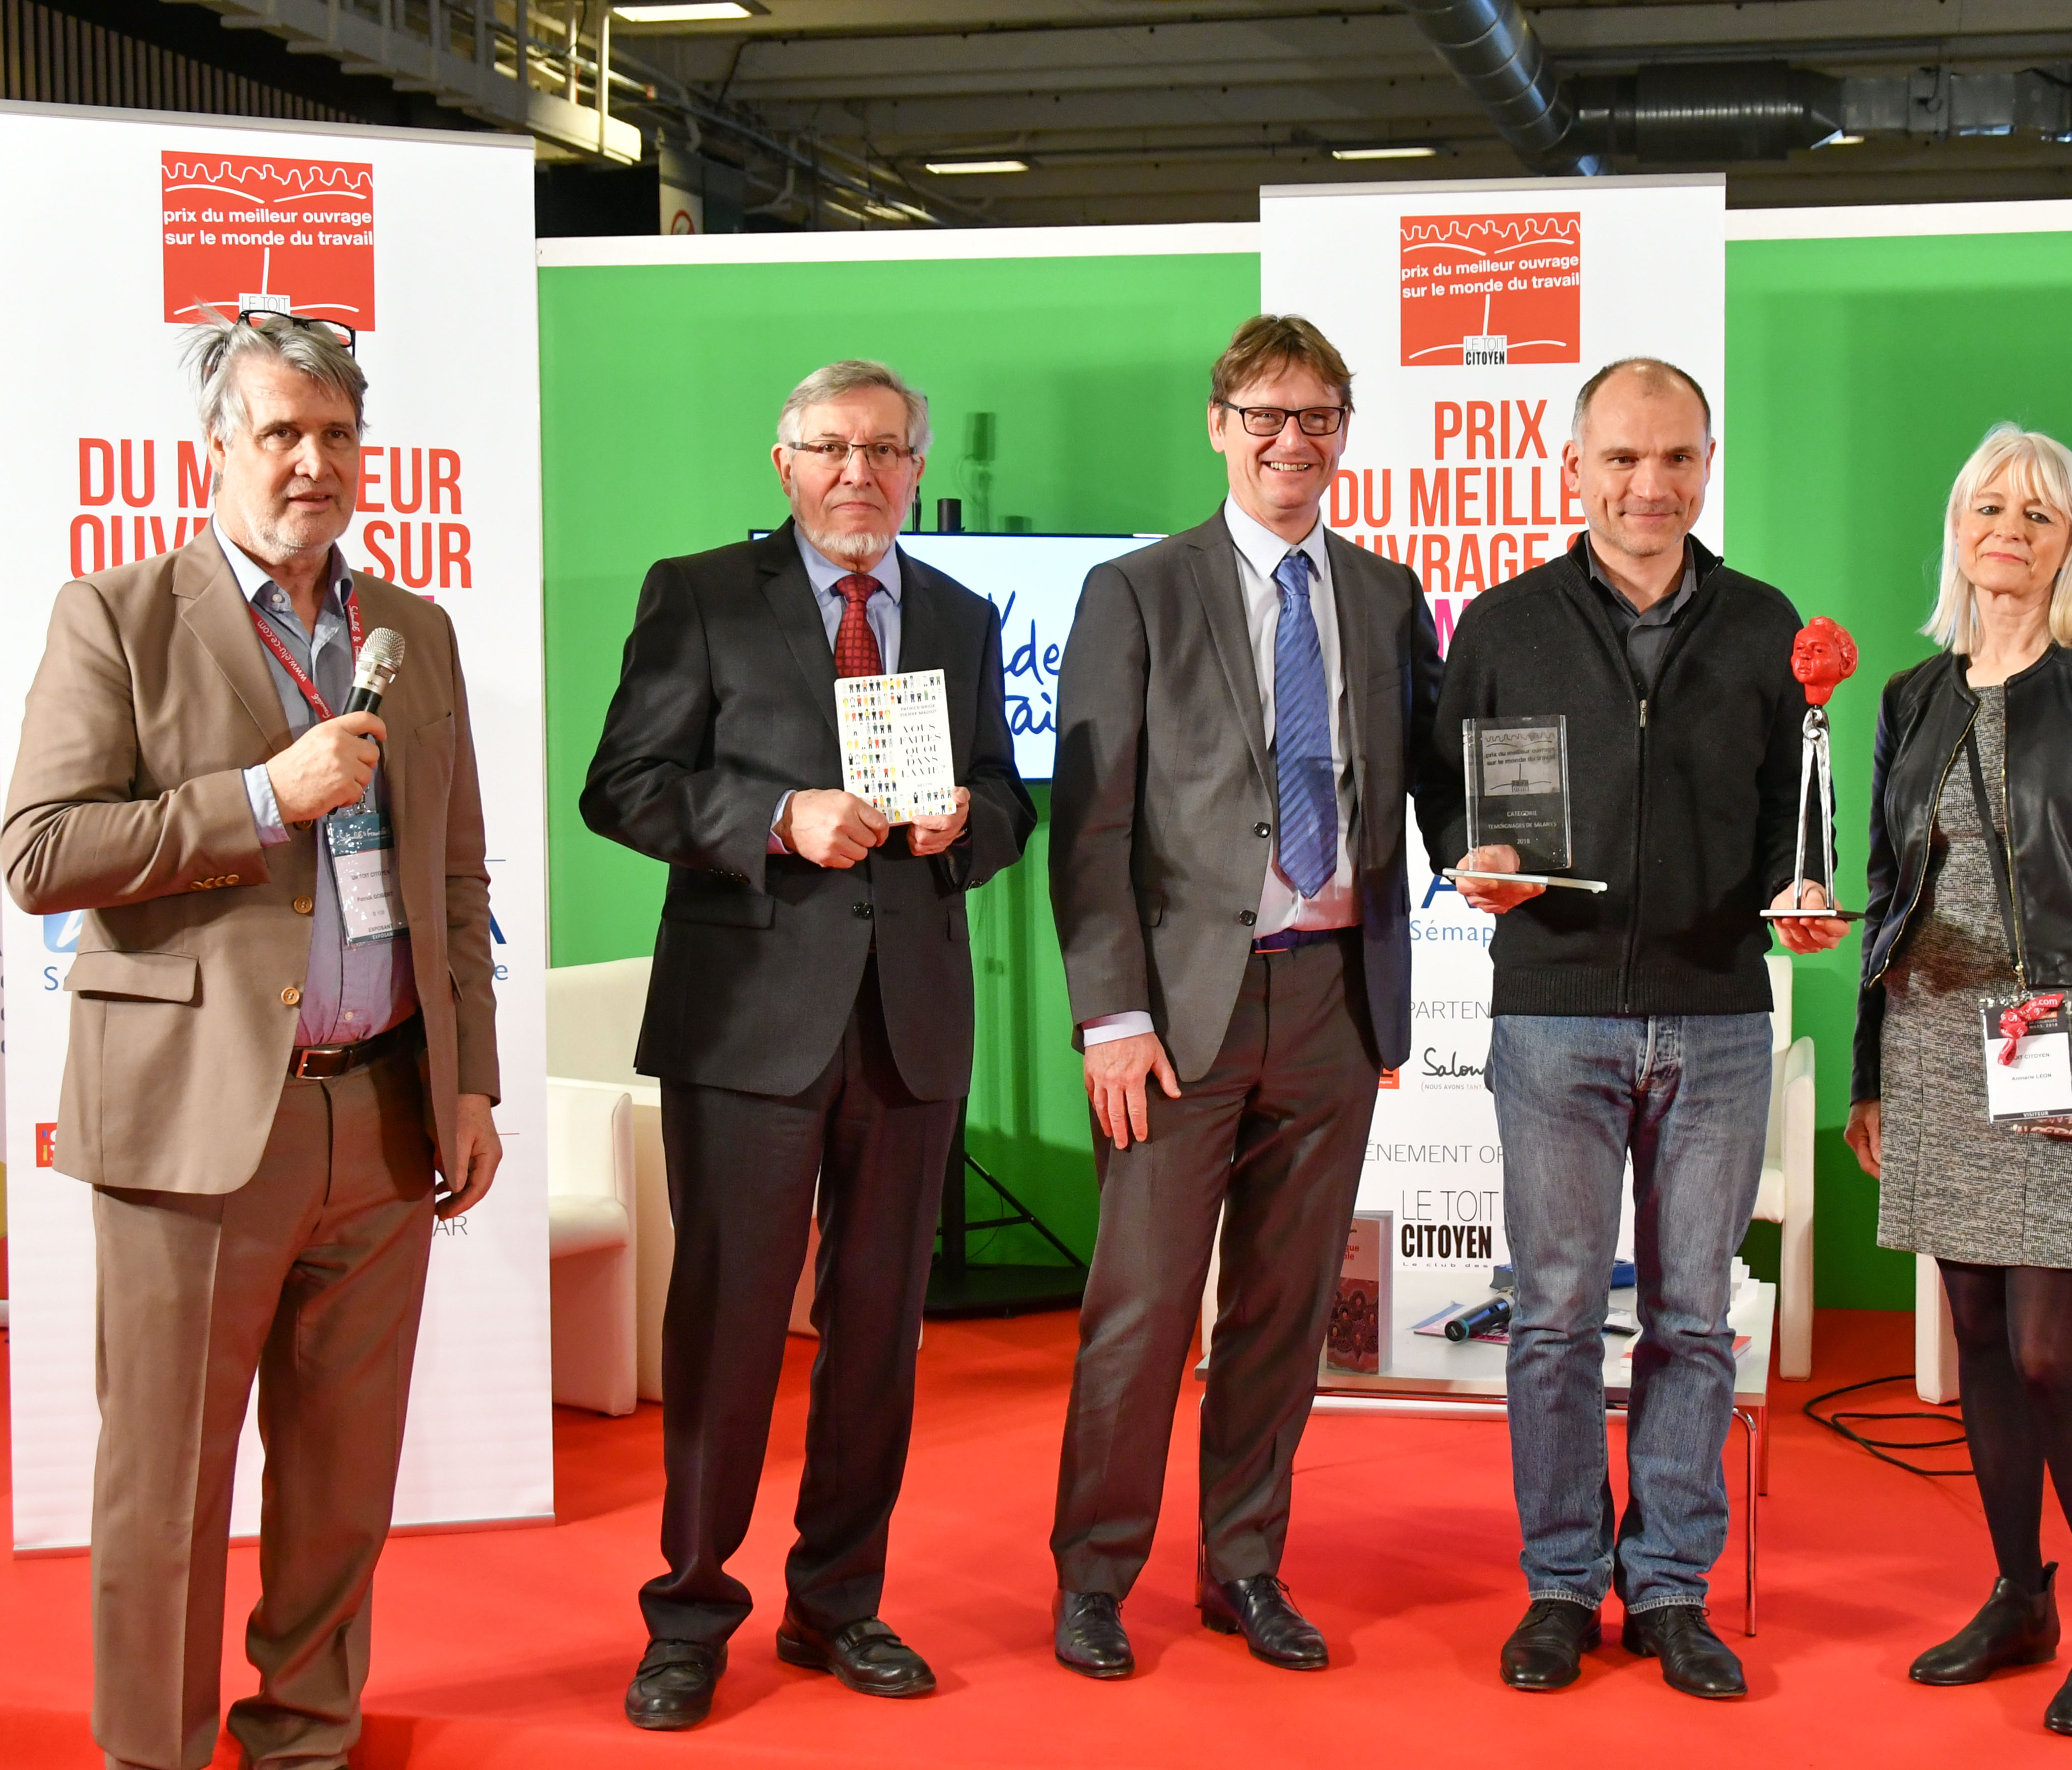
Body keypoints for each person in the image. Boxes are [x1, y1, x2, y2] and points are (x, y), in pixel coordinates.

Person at [0, 312, 502, 1770]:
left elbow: (453, 873)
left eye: (337, 436)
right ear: (213, 447)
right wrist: (259, 797)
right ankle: (154, 1750)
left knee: (343, 1487)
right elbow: (40, 851)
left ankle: (305, 1737)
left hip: (385, 1111)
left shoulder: (416, 629)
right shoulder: (120, 613)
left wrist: (465, 1079)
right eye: (280, 432)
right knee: (163, 1482)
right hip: (201, 1119)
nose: (312, 462)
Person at [583, 359, 1033, 1728]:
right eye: (831, 447)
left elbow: (1014, 800)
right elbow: (626, 784)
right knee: (725, 1328)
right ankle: (689, 1611)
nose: (858, 473)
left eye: (884, 451)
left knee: (879, 1336)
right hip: (748, 1026)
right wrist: (778, 818)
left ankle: (839, 1601)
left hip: (909, 1027)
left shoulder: (957, 613)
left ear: (913, 468)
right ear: (782, 462)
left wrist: (967, 824)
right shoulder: (702, 592)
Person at [1046, 314, 1461, 1679]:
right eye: (1267, 414)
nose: (1294, 440)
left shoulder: (1391, 595)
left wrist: (1512, 854)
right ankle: (1097, 1578)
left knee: (1286, 1313)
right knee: (1144, 1310)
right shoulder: (1137, 590)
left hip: (1336, 1002)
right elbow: (1092, 823)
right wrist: (1111, 1013)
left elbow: (1445, 792)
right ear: (1221, 424)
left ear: (1346, 431)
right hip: (1176, 1016)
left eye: (1321, 415)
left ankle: (1243, 1566)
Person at [1430, 358, 1843, 1701]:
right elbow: (1449, 792)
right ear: (1573, 468)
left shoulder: (1769, 624)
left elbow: (1806, 815)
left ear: (1707, 465)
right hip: (1551, 1013)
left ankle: (1670, 1587)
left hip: (1720, 1015)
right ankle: (1559, 1583)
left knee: (1691, 1320)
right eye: (1621, 458)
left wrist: (1809, 895)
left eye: (1673, 458)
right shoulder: (1500, 622)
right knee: (1551, 1315)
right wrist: (1466, 854)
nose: (1648, 484)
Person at [1845, 423, 2072, 1737]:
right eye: (1989, 505)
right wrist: (1871, 1073)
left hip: (2061, 1022)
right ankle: (2019, 1592)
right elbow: (1888, 898)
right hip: (1939, 1033)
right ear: (1958, 526)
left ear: (2071, 539)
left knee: (2057, 1348)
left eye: (2038, 513)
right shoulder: (1912, 696)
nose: (2009, 527)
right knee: (1984, 1338)